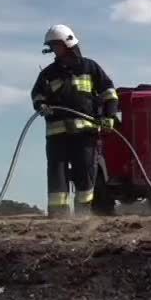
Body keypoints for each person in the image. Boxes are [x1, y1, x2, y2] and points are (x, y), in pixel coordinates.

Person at [30, 24, 119, 218]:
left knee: (85, 174)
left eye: (57, 45)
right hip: (57, 135)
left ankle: (82, 215)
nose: (55, 49)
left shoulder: (90, 67)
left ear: (68, 43)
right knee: (57, 176)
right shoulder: (48, 74)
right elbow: (37, 95)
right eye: (52, 46)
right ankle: (58, 217)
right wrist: (41, 105)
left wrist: (110, 116)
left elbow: (109, 92)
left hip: (85, 134)